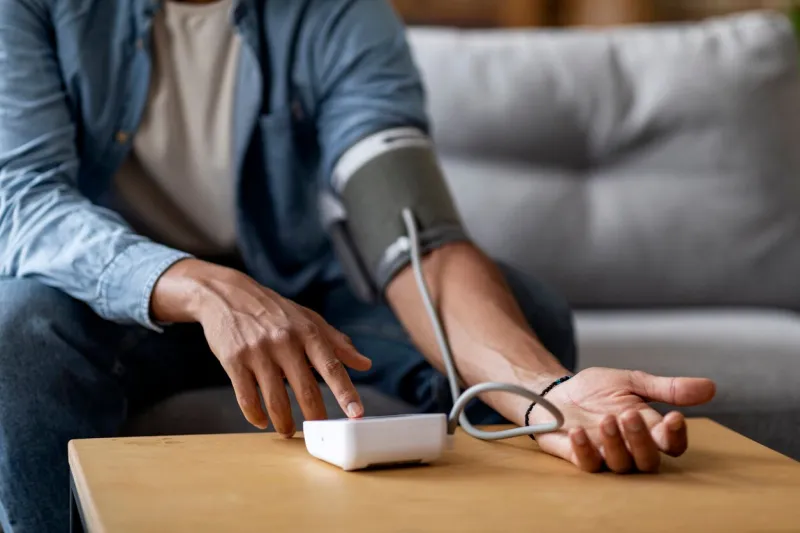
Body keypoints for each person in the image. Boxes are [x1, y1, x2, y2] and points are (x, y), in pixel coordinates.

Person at [0, 1, 716, 531]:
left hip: (291, 287)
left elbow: (414, 234)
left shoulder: (341, 12)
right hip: (102, 302)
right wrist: (198, 286)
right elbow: (23, 197)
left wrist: (545, 388)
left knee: (529, 310)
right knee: (18, 332)